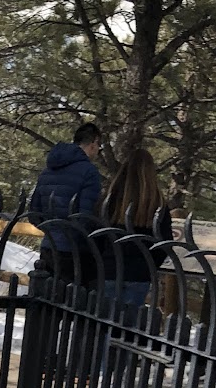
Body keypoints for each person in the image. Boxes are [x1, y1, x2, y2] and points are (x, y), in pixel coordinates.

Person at [29, 122, 104, 289]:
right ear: (93, 143)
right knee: (73, 306)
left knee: (46, 304)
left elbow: (34, 212)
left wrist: (51, 230)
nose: (99, 150)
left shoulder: (48, 170)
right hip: (75, 251)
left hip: (49, 247)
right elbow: (86, 215)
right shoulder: (89, 172)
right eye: (100, 145)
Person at [99, 146, 173, 311]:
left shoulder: (111, 200)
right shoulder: (157, 204)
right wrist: (149, 265)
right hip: (139, 273)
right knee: (128, 327)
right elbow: (165, 243)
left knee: (103, 324)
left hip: (109, 268)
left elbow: (98, 233)